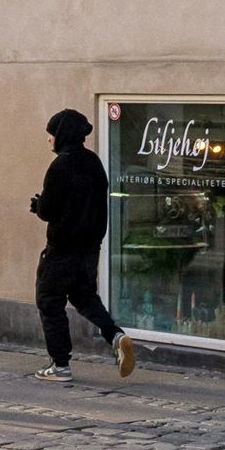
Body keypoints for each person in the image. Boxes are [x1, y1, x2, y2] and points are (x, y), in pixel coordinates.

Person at [29, 108, 135, 383]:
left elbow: (49, 209)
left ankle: (60, 364)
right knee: (84, 297)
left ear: (61, 135)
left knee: (49, 301)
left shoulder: (61, 165)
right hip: (89, 249)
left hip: (62, 249)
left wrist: (38, 205)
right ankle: (115, 335)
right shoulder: (94, 162)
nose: (49, 140)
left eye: (51, 135)